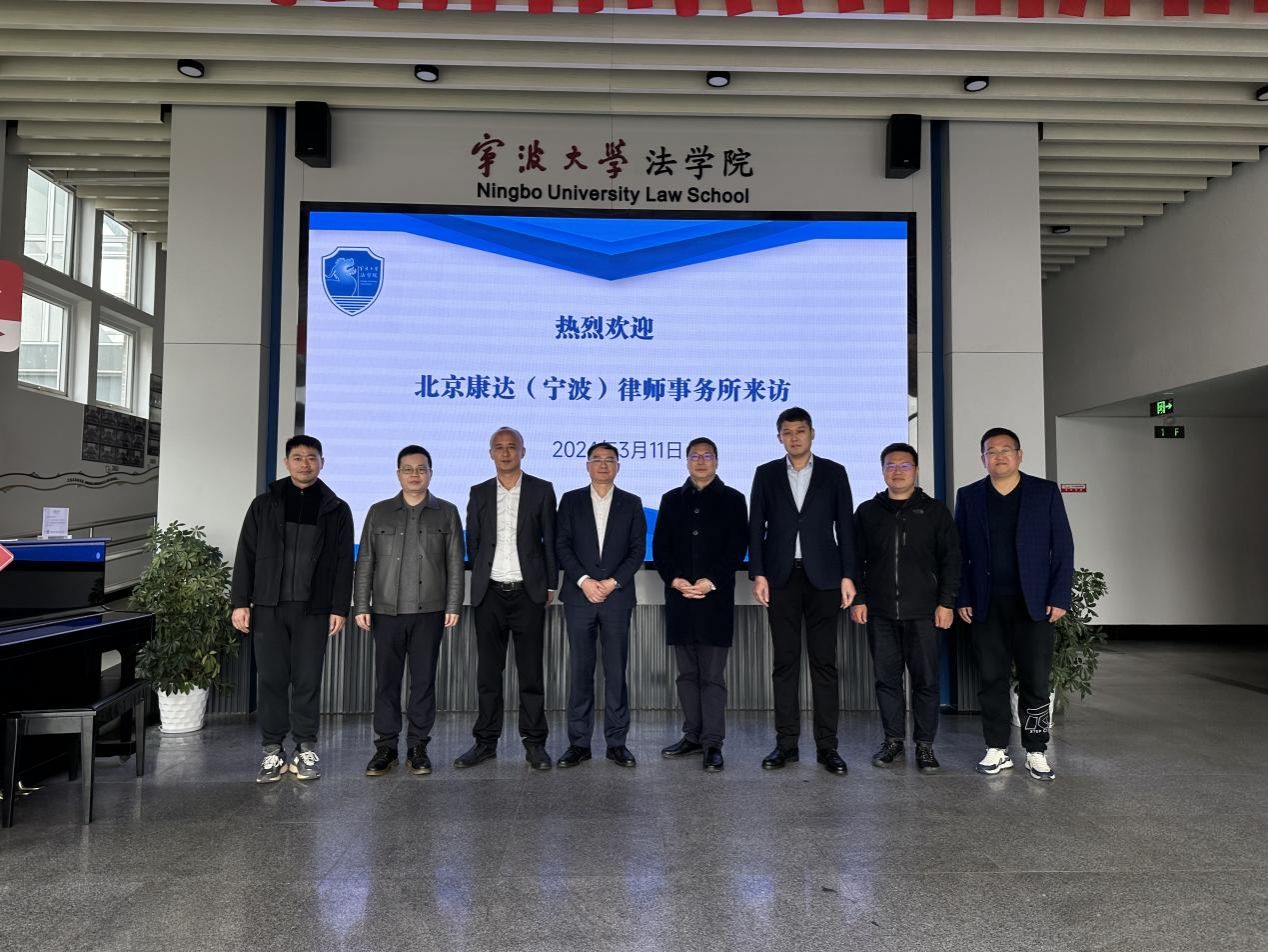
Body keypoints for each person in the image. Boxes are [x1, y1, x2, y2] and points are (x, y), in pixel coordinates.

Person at [231, 434, 353, 784]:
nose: (305, 464)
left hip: (314, 609)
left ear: (322, 463)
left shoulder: (336, 508)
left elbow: (343, 563)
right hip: (269, 606)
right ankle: (273, 750)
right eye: (298, 457)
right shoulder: (265, 504)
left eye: (312, 458)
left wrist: (339, 607)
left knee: (307, 679)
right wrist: (240, 602)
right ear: (286, 463)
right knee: (271, 678)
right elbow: (246, 554)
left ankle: (305, 748)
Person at [955, 427, 1074, 782]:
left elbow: (1063, 546)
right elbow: (959, 552)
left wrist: (1059, 595)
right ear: (983, 459)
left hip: (1034, 604)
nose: (999, 456)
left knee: (1035, 679)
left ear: (1019, 455)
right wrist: (963, 596)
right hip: (986, 604)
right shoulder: (969, 496)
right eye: (991, 451)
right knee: (991, 678)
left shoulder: (1044, 492)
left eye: (1006, 450)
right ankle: (996, 748)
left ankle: (1036, 750)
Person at [748, 407, 856, 775]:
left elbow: (845, 527)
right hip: (781, 578)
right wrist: (758, 574)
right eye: (787, 432)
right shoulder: (765, 474)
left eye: (800, 431)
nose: (794, 437)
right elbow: (756, 527)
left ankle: (827, 747)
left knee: (824, 663)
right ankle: (786, 744)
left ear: (812, 433)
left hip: (824, 578)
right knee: (785, 662)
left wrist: (848, 575)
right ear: (779, 437)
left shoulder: (834, 472)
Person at [354, 445, 463, 778]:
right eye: (408, 469)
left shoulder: (447, 512)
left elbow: (455, 563)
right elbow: (366, 560)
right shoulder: (379, 511)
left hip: (429, 611)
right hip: (386, 611)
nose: (415, 474)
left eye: (421, 468)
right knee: (386, 682)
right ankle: (385, 747)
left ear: (430, 473)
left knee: (423, 682)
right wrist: (361, 604)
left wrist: (453, 604)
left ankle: (418, 747)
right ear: (398, 473)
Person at [851, 442, 960, 773]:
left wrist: (946, 603)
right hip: (880, 611)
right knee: (886, 680)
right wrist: (859, 598)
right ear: (882, 470)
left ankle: (925, 746)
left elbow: (951, 560)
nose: (897, 471)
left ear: (916, 470)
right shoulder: (867, 512)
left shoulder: (935, 512)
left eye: (904, 466)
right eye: (890, 465)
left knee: (926, 681)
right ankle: (893, 741)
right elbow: (855, 560)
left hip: (925, 612)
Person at [456, 427, 558, 772]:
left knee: (530, 673)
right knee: (488, 674)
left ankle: (535, 743)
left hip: (528, 593)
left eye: (511, 447)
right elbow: (474, 542)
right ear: (490, 453)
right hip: (490, 594)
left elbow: (550, 541)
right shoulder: (479, 492)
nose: (505, 453)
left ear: (522, 452)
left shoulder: (542, 490)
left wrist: (550, 584)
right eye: (498, 447)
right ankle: (485, 742)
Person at [652, 437, 748, 773]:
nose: (701, 461)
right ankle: (692, 735)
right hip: (680, 599)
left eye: (708, 456)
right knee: (687, 675)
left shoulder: (733, 499)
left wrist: (711, 581)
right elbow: (660, 548)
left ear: (717, 461)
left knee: (712, 676)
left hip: (714, 600)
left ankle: (713, 743)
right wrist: (675, 580)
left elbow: (737, 547)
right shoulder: (670, 500)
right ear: (686, 461)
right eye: (695, 456)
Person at [554, 442, 647, 769]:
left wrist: (611, 582)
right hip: (579, 597)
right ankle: (578, 743)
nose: (603, 465)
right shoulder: (571, 500)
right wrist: (584, 581)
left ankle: (617, 743)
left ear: (618, 466)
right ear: (587, 465)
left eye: (610, 460)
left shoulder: (632, 503)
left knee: (616, 671)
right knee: (580, 670)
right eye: (597, 459)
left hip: (616, 598)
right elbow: (562, 545)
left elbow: (637, 550)